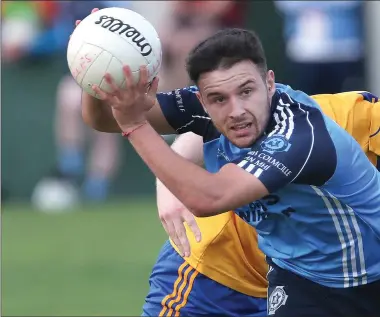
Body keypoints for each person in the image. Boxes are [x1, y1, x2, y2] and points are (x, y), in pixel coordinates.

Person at [83, 27, 380, 316]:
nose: (236, 110)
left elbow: (209, 198)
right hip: (299, 276)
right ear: (202, 100)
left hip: (369, 276)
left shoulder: (300, 136)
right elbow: (104, 118)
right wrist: (92, 65)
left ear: (269, 84)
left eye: (246, 91)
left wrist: (134, 125)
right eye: (219, 99)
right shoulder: (205, 109)